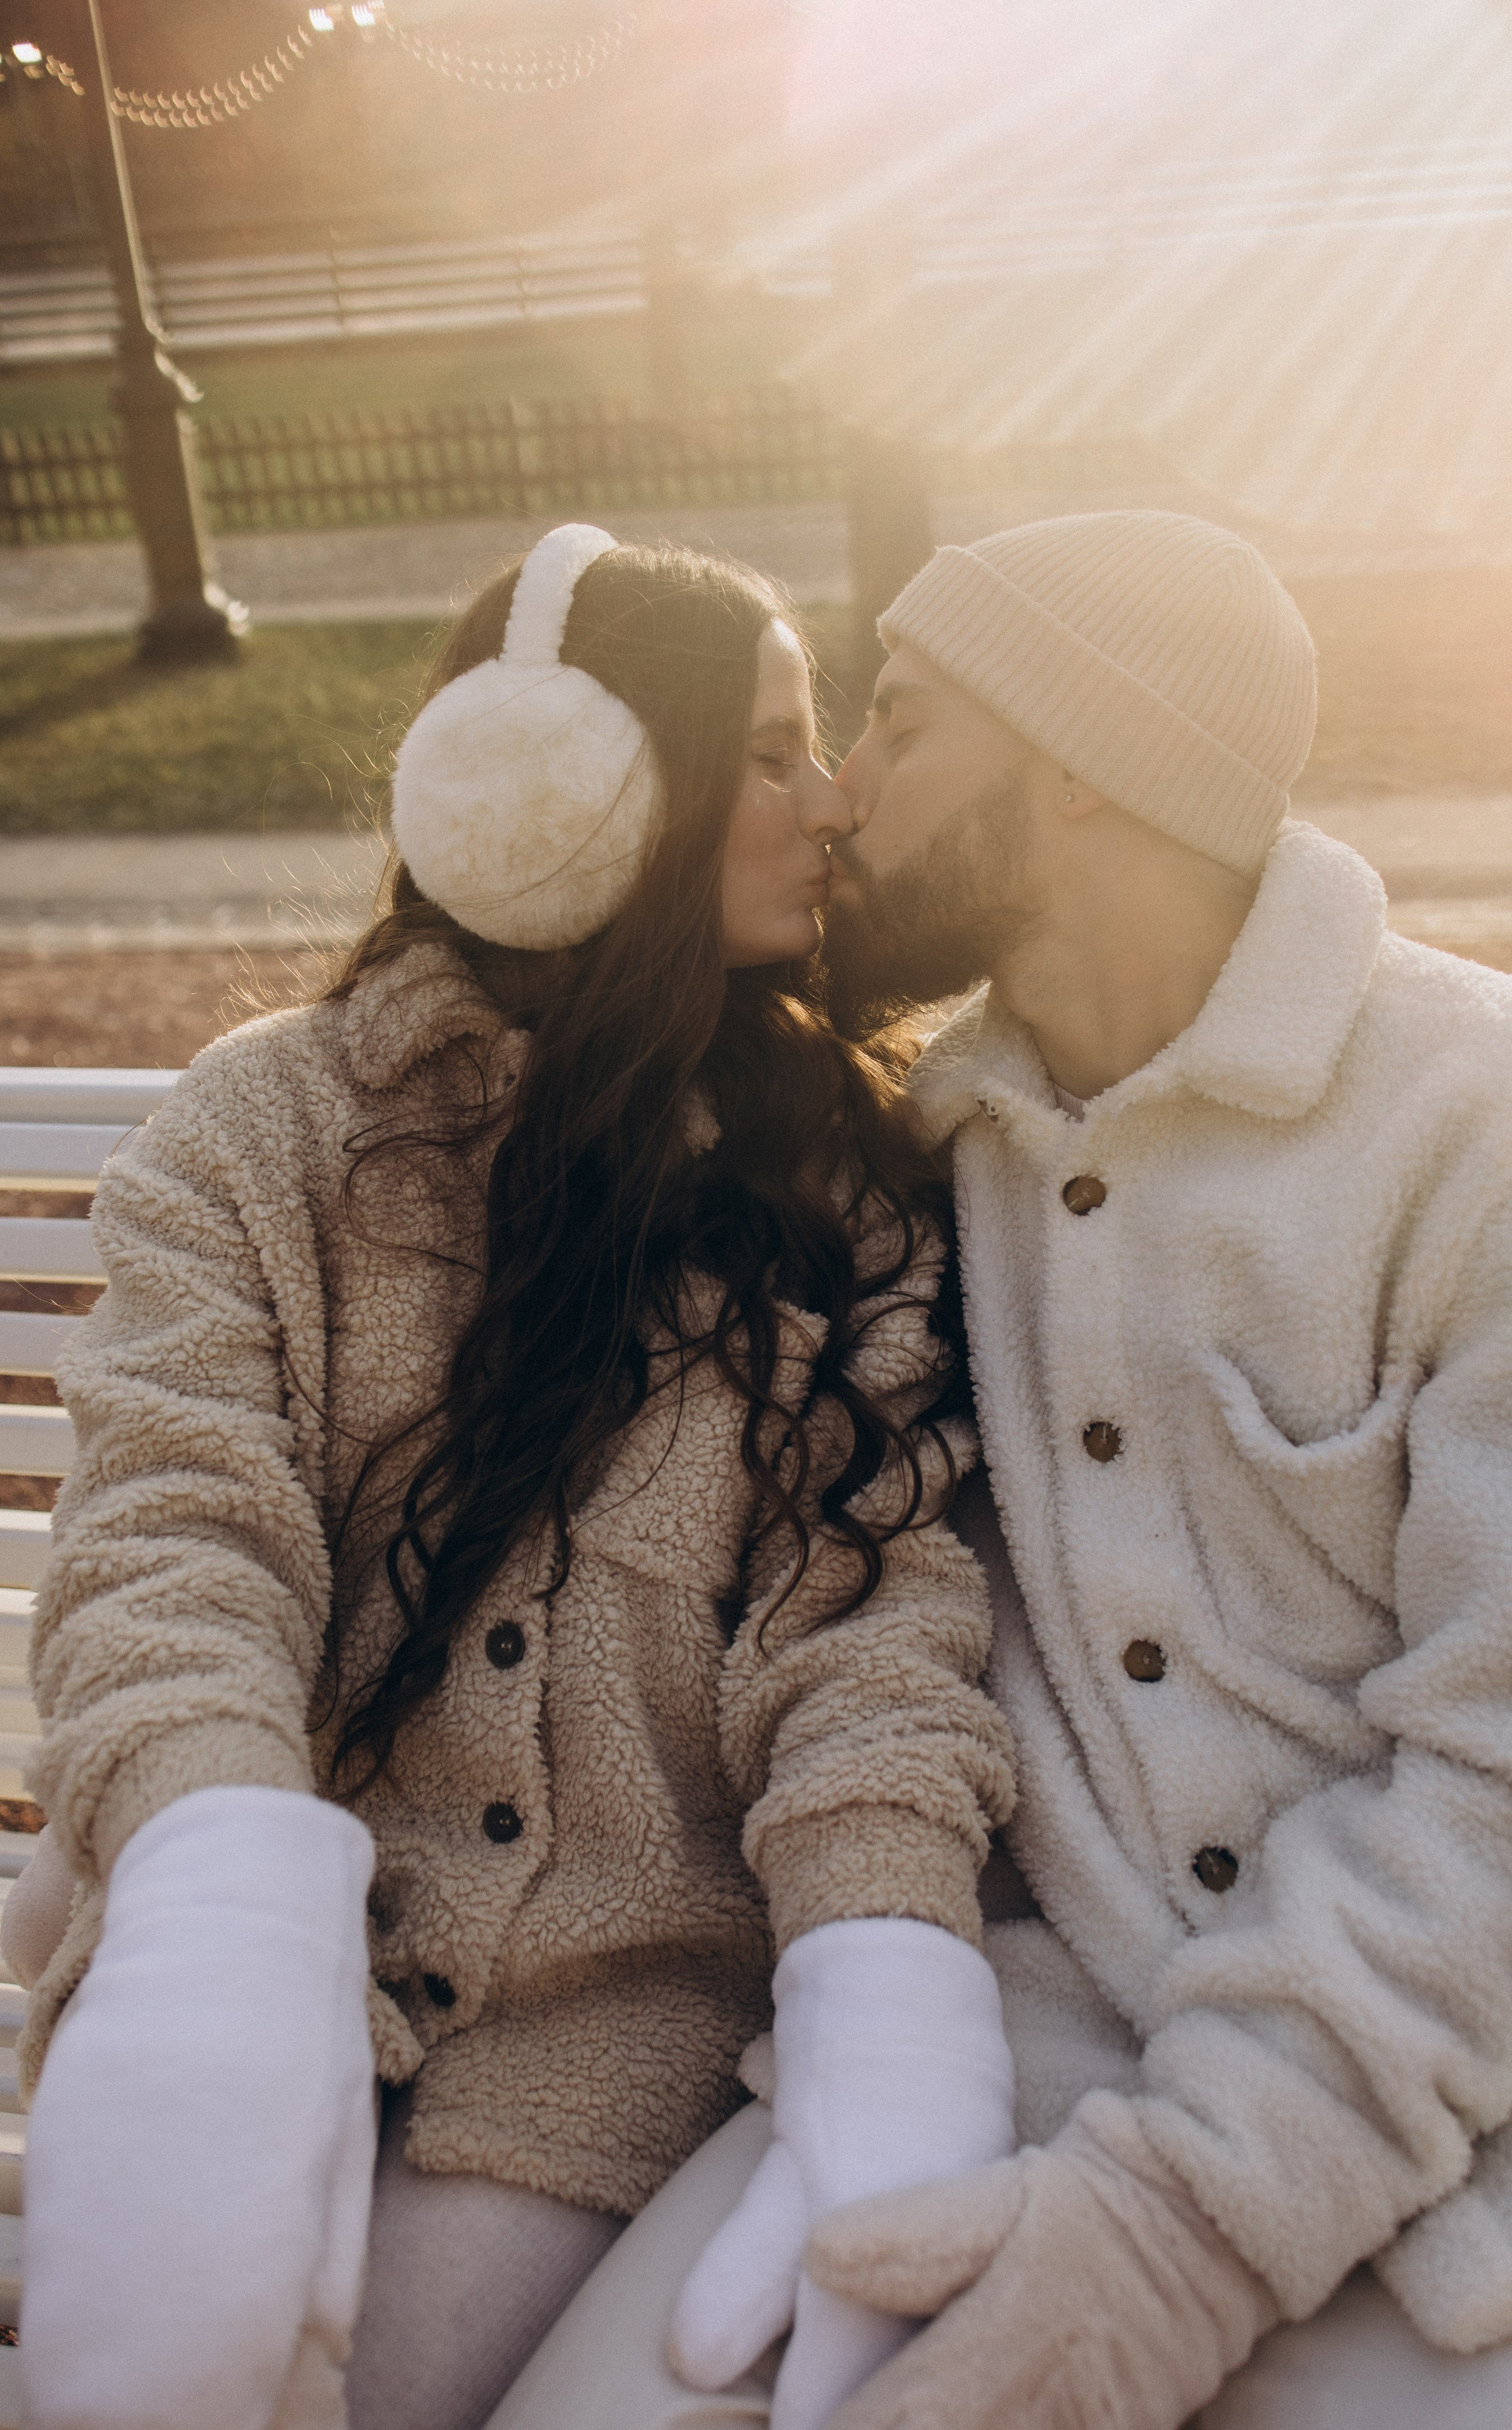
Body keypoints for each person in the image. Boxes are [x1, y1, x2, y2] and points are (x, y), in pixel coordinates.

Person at [472, 511, 1512, 2430]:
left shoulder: (1473, 1133)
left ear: (1089, 772)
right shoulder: (907, 1161)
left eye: (903, 721)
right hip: (1023, 2032)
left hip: (1449, 2099)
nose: (841, 795)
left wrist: (1179, 2236)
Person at [6, 526, 1022, 2430]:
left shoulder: (843, 1191)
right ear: (584, 786)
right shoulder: (274, 1122)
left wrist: (887, 1996)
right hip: (241, 1960)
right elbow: (173, 1536)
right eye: (778, 751)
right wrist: (220, 1904)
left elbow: (872, 1639)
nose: (835, 806)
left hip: (601, 2031)